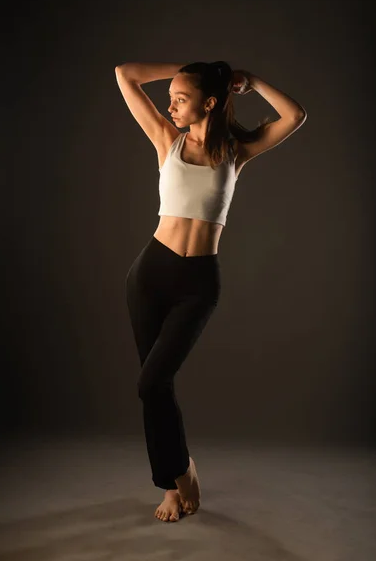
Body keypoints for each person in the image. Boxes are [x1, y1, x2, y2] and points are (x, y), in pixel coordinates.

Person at [114, 60, 307, 522]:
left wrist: (252, 78)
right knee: (154, 387)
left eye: (181, 97)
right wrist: (182, 69)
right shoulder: (167, 139)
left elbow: (294, 116)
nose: (171, 104)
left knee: (152, 382)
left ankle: (181, 470)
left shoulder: (237, 151)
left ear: (211, 102)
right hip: (150, 274)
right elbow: (126, 74)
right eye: (173, 96)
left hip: (197, 284)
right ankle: (171, 484)